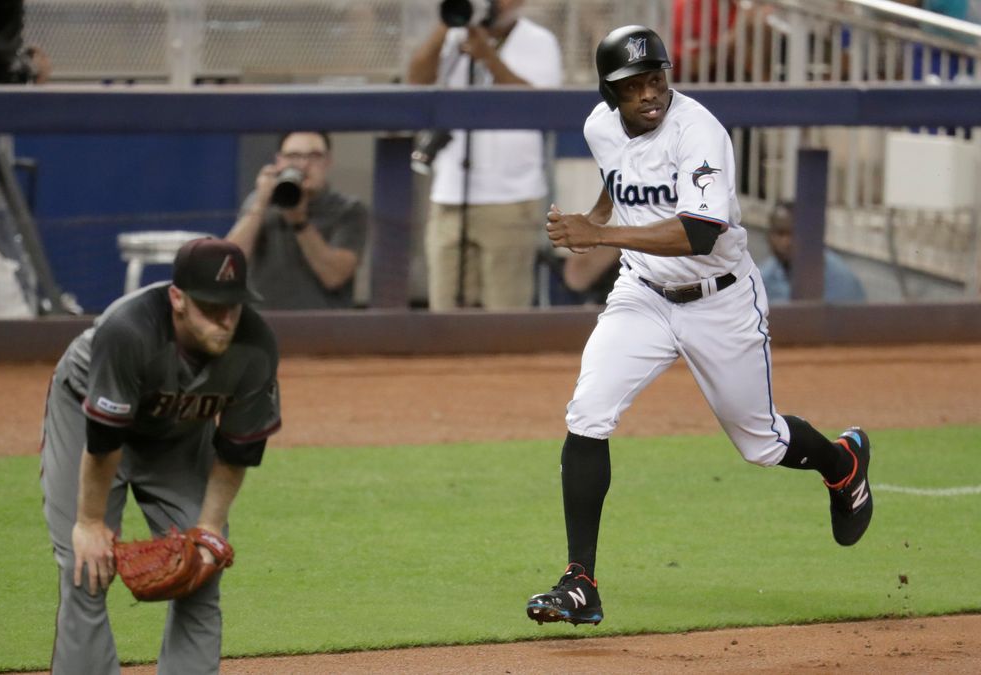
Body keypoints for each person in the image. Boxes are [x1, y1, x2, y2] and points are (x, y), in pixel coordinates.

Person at [526, 26, 874, 627]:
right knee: (588, 412)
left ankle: (841, 463)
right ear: (610, 94)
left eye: (655, 79)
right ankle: (580, 581)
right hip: (643, 293)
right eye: (632, 86)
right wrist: (597, 215)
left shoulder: (700, 131)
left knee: (760, 443)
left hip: (721, 301)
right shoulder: (599, 127)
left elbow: (700, 231)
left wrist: (598, 234)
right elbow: (620, 178)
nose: (649, 94)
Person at [39, 237, 281, 674]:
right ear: (178, 299)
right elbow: (105, 442)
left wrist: (208, 529)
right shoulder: (128, 330)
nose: (225, 320)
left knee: (201, 570)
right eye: (211, 306)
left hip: (177, 433)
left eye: (234, 306)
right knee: (87, 567)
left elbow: (236, 449)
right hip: (87, 416)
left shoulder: (256, 345)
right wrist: (91, 523)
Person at [406, 0, 563, 310]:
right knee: (444, 316)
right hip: (449, 194)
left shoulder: (539, 41)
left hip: (511, 198)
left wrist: (488, 57)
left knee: (505, 318)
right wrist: (448, 21)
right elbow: (416, 79)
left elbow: (539, 108)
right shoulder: (453, 37)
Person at [226, 131, 368, 310]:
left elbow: (334, 276)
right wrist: (259, 205)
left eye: (314, 156)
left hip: (324, 328)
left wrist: (299, 222)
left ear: (328, 162)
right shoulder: (259, 203)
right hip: (262, 324)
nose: (303, 165)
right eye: (293, 156)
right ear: (279, 162)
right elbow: (228, 265)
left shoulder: (348, 209)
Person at [759, 201, 866, 304]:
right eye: (780, 234)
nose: (786, 242)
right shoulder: (763, 278)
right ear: (768, 236)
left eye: (794, 234)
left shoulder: (839, 279)